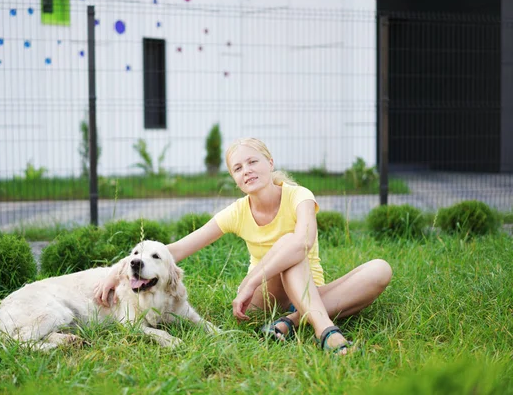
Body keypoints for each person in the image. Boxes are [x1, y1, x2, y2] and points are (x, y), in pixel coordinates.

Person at [94, 137, 392, 354]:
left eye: (253, 162)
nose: (246, 170)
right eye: (238, 168)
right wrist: (118, 269)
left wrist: (249, 281)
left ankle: (289, 322)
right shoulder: (237, 211)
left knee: (380, 270)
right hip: (266, 297)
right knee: (288, 244)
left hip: (309, 291)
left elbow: (304, 243)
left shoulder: (299, 196)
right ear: (235, 179)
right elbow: (176, 250)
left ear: (270, 163)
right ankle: (326, 332)